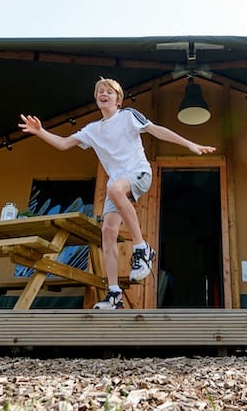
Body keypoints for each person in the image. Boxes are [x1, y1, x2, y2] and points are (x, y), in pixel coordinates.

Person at [18, 77, 216, 310]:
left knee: (113, 189)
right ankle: (114, 295)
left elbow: (156, 130)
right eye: (100, 91)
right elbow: (63, 144)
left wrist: (189, 144)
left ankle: (143, 249)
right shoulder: (92, 130)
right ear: (96, 99)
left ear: (118, 100)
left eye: (109, 92)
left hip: (139, 173)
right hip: (117, 184)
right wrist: (40, 131)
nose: (103, 94)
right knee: (108, 231)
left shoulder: (128, 116)